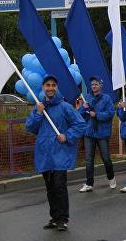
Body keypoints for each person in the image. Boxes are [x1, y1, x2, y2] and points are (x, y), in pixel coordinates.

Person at [25, 75, 85, 232]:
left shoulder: (65, 106)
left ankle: (63, 219)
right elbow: (30, 127)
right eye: (47, 85)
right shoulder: (40, 107)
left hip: (60, 153)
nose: (50, 88)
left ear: (56, 87)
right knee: (50, 187)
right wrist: (38, 113)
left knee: (59, 186)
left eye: (53, 85)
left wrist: (67, 136)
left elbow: (80, 124)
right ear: (43, 88)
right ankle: (54, 217)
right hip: (45, 154)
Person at [79, 77, 116, 192]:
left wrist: (97, 115)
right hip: (89, 132)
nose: (94, 86)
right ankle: (89, 183)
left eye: (96, 84)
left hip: (102, 133)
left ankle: (111, 178)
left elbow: (110, 113)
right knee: (89, 159)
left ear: (100, 86)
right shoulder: (87, 98)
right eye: (92, 85)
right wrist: (83, 108)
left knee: (106, 158)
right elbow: (80, 114)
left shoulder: (106, 98)